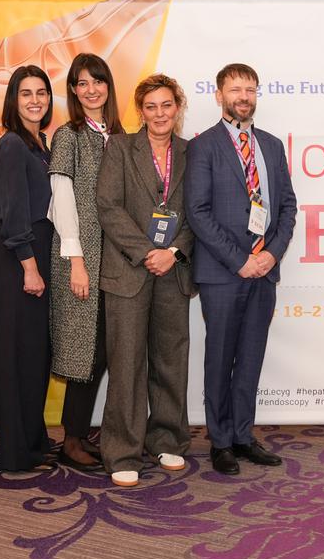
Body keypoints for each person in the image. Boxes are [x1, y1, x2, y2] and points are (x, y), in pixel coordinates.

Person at [185, 63, 297, 476]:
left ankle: (243, 436)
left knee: (250, 357)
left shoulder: (271, 146)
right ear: (219, 95)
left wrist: (271, 254)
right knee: (220, 357)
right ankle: (220, 441)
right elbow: (197, 212)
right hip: (222, 272)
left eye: (250, 89)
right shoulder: (203, 146)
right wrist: (241, 259)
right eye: (235, 89)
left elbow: (288, 207)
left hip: (264, 271)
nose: (244, 97)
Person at [96, 74, 195, 486]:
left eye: (166, 105)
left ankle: (168, 438)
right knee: (127, 364)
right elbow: (108, 206)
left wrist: (173, 251)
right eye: (151, 107)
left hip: (174, 270)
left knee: (171, 359)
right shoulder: (120, 148)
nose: (159, 114)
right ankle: (123, 452)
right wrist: (146, 251)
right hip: (129, 270)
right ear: (141, 111)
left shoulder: (191, 152)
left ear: (178, 108)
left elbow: (199, 211)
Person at [48, 54, 123, 472]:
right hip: (80, 257)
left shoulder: (119, 135)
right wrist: (77, 260)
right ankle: (71, 440)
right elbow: (62, 201)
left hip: (116, 259)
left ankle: (83, 433)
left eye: (98, 81)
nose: (91, 89)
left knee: (104, 350)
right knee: (82, 352)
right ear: (74, 91)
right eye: (82, 83)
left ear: (109, 86)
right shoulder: (69, 136)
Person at [0, 66, 56, 473]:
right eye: (26, 93)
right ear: (13, 99)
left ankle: (32, 441)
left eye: (41, 93)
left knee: (34, 354)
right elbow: (13, 213)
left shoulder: (40, 143)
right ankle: (15, 451)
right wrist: (29, 267)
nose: (35, 100)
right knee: (17, 356)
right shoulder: (12, 144)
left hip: (38, 252)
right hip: (20, 258)